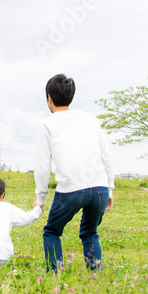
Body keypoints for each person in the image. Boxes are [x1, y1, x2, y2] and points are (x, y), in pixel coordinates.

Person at [34, 73, 115, 272]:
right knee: (90, 233)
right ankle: (95, 273)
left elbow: (42, 166)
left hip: (71, 190)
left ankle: (55, 274)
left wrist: (40, 198)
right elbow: (107, 156)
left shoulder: (47, 125)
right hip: (99, 188)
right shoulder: (91, 120)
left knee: (52, 231)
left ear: (49, 98)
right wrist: (109, 190)